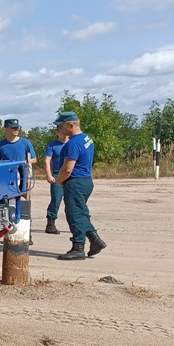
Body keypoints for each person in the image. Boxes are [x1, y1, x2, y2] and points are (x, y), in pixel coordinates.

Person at [52, 111, 106, 260]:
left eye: (61, 126)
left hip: (75, 182)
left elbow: (68, 168)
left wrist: (59, 180)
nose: (59, 129)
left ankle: (78, 247)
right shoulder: (86, 138)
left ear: (70, 125)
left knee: (74, 215)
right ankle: (95, 240)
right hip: (86, 180)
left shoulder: (73, 142)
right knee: (81, 213)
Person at [0, 118, 36, 202]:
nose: (16, 130)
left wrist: (24, 162)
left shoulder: (25, 143)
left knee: (24, 199)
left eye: (17, 128)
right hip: (7, 177)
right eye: (13, 128)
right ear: (6, 129)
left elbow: (34, 159)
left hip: (23, 176)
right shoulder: (1, 145)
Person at [42, 123, 70, 234]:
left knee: (74, 201)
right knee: (56, 200)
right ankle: (50, 224)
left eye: (66, 133)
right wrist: (49, 175)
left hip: (71, 175)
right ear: (57, 132)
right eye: (62, 133)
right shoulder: (52, 146)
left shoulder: (73, 144)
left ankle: (83, 223)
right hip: (57, 175)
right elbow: (47, 161)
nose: (65, 136)